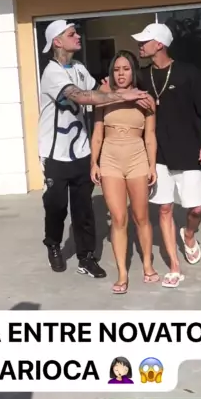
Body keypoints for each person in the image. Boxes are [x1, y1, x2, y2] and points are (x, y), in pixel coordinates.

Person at [38, 20, 151, 277]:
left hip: (81, 150)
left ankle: (86, 257)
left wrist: (118, 85)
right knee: (56, 206)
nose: (78, 36)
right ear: (57, 41)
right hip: (55, 153)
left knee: (84, 208)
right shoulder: (52, 72)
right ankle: (53, 244)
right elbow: (82, 97)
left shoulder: (79, 67)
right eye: (71, 34)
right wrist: (122, 95)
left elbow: (98, 91)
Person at [132, 23, 201, 288]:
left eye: (145, 41)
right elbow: (121, 89)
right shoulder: (142, 76)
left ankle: (189, 235)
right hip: (158, 153)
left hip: (189, 149)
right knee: (165, 207)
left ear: (159, 44)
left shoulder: (188, 73)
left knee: (196, 208)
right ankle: (174, 266)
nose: (140, 45)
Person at [90, 50, 158, 294]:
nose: (121, 74)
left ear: (133, 71)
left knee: (141, 216)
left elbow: (150, 136)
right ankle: (122, 273)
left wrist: (152, 165)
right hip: (110, 159)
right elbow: (97, 134)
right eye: (117, 69)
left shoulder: (146, 99)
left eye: (126, 69)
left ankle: (148, 264)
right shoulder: (103, 98)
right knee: (119, 218)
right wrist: (94, 163)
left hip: (137, 158)